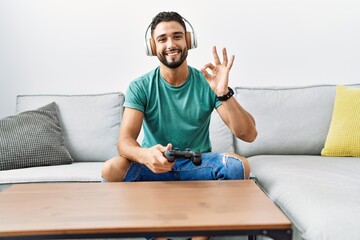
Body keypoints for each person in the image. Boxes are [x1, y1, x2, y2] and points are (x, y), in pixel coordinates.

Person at [101, 11, 257, 240]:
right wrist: (145, 156)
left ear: (188, 41)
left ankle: (200, 236)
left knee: (239, 165)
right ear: (152, 46)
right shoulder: (141, 86)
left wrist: (223, 94)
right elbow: (124, 141)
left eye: (177, 36)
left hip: (198, 166)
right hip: (155, 167)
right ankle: (158, 236)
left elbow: (249, 134)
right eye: (162, 39)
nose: (171, 44)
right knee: (111, 168)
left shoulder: (206, 83)